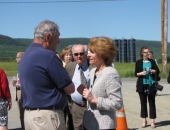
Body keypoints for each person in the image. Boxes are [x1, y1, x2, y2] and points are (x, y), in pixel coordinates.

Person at [18, 20, 75, 130]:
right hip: (47, 117)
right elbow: (70, 89)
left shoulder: (25, 56)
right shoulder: (48, 56)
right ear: (48, 37)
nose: (58, 41)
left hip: (29, 117)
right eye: (57, 37)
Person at [82, 37, 123, 130]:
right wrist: (84, 93)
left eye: (92, 52)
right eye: (89, 51)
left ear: (103, 54)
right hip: (89, 124)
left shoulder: (111, 73)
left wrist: (95, 100)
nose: (88, 55)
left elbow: (117, 103)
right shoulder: (93, 71)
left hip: (104, 125)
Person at [65, 44, 94, 130]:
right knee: (77, 128)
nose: (79, 56)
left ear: (86, 54)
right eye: (76, 54)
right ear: (73, 55)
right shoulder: (69, 67)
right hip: (76, 106)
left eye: (81, 53)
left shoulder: (94, 67)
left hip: (91, 106)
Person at [135, 46, 160, 128]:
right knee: (143, 103)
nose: (147, 53)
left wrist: (151, 70)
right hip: (142, 84)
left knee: (152, 103)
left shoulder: (152, 61)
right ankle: (144, 120)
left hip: (151, 84)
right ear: (142, 53)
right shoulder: (138, 62)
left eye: (148, 52)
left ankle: (152, 121)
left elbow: (157, 71)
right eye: (145, 52)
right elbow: (136, 73)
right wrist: (141, 73)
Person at [60, 45, 74, 130]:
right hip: (63, 93)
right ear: (63, 56)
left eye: (70, 55)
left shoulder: (74, 65)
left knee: (71, 114)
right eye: (66, 55)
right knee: (63, 114)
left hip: (71, 93)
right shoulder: (61, 66)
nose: (68, 57)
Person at [12, 51, 25, 130]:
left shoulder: (23, 67)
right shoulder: (20, 67)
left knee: (23, 114)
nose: (16, 59)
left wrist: (17, 83)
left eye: (17, 57)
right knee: (21, 114)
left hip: (22, 93)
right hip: (19, 93)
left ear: (21, 58)